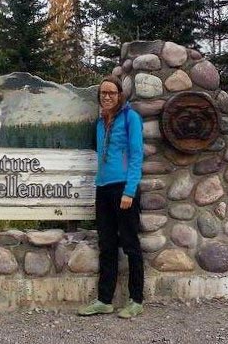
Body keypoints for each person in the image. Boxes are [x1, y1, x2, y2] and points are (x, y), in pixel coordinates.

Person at [78, 75, 144, 319]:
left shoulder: (130, 118)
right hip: (103, 188)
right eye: (103, 93)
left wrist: (130, 190)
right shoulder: (99, 123)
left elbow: (137, 156)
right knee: (107, 245)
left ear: (119, 96)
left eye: (111, 93)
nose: (107, 96)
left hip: (124, 189)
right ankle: (104, 300)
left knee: (130, 244)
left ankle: (136, 299)